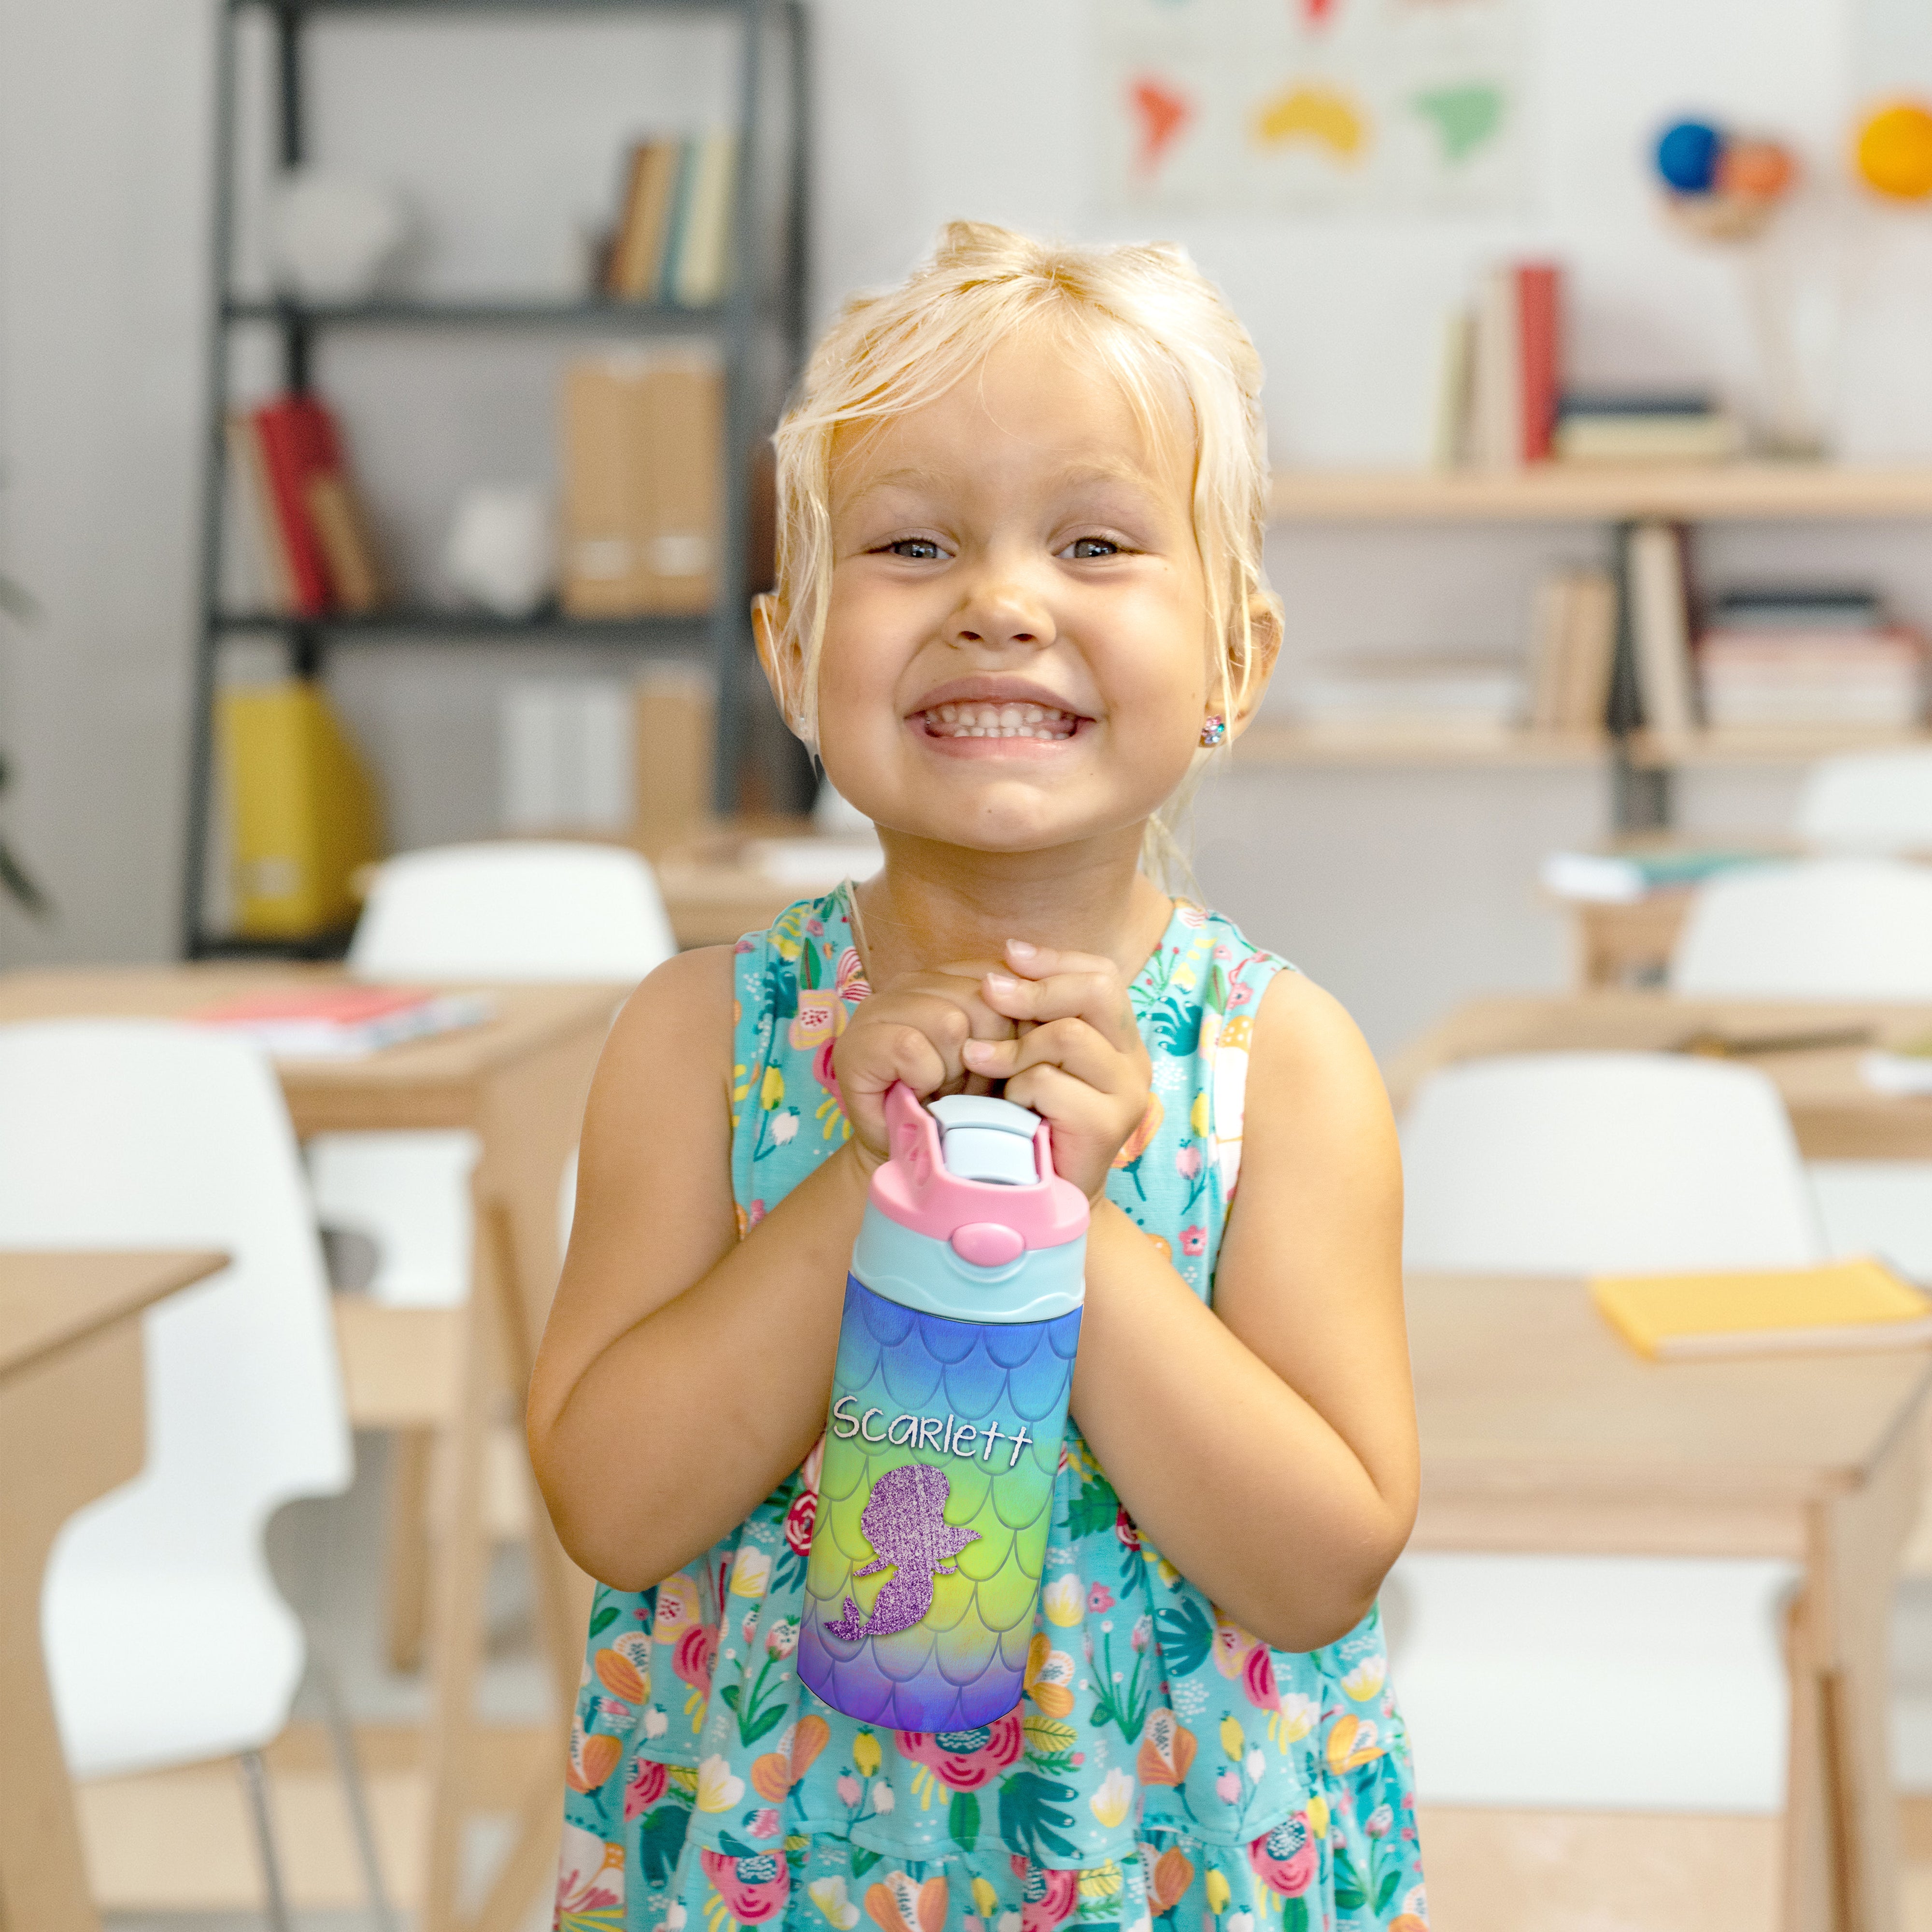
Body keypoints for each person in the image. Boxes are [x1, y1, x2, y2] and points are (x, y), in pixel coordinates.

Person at [529, 223, 1424, 1932]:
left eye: (1094, 542)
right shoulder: (697, 1038)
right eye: (913, 544)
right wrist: (874, 1189)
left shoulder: (1279, 1065)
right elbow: (614, 1508)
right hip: (770, 1877)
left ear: (1236, 656)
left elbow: (1318, 1566)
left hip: (1173, 1878)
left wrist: (1074, 1226)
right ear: (793, 656)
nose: (1001, 602)